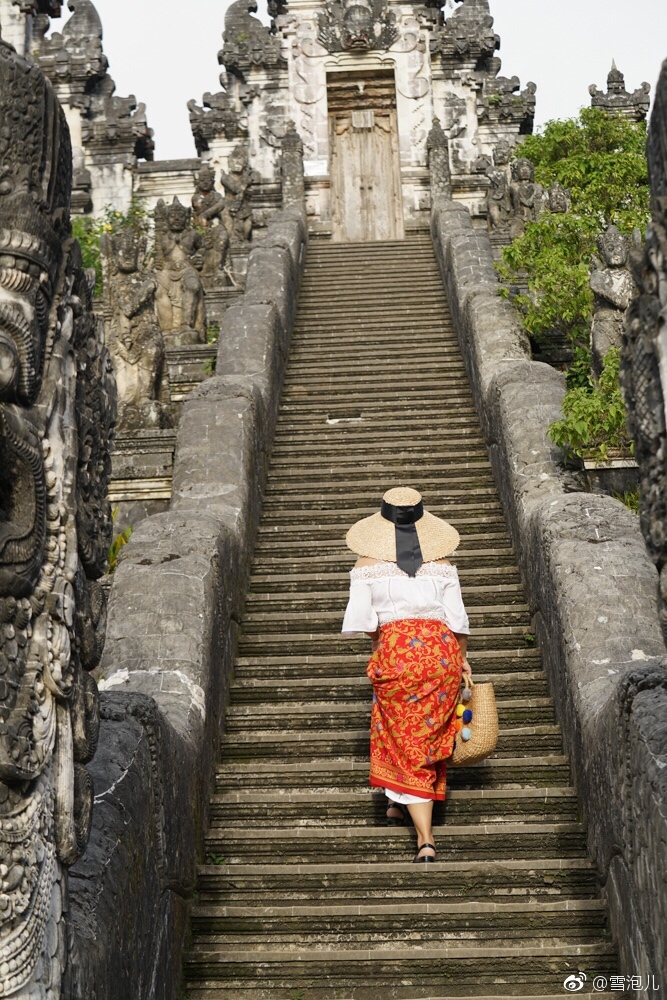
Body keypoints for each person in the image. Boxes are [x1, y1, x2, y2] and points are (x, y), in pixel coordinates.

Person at [341, 486, 472, 863]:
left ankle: (426, 839)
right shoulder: (444, 566)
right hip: (441, 654)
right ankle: (396, 802)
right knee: (422, 733)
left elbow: (365, 623)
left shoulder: (366, 567)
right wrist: (460, 659)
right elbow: (458, 622)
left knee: (403, 734)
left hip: (397, 656)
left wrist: (392, 632)